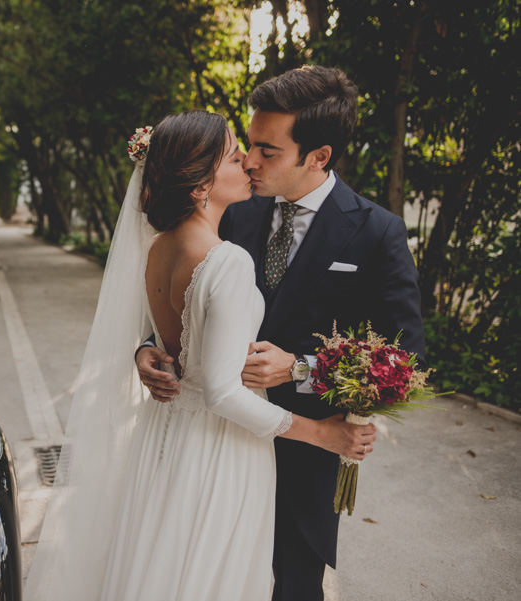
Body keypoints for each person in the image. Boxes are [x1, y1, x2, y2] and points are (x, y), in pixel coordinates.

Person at [24, 109, 375, 601]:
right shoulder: (227, 259)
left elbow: (176, 336)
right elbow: (223, 390)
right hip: (220, 449)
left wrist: (148, 349)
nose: (249, 164)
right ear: (199, 188)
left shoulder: (158, 248)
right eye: (235, 156)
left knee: (162, 565)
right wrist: (323, 434)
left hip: (165, 435)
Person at [137, 66, 425, 601]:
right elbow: (180, 289)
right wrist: (146, 347)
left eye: (267, 151)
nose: (249, 161)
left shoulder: (377, 232)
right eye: (247, 145)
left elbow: (405, 357)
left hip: (303, 459)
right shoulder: (231, 207)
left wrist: (302, 369)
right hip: (210, 451)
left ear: (318, 157)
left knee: (292, 590)